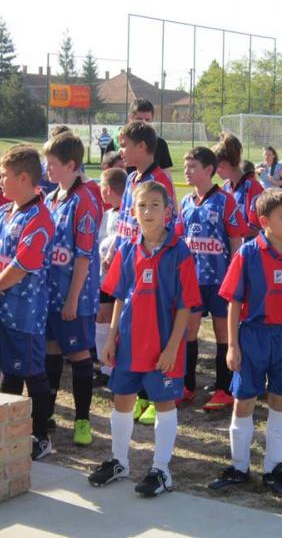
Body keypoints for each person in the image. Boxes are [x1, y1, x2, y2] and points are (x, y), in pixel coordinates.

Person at [89, 181, 201, 497]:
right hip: (130, 342)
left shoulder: (179, 252)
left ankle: (161, 469)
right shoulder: (127, 248)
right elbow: (120, 297)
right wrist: (111, 338)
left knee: (163, 403)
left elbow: (185, 305)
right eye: (142, 205)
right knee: (122, 399)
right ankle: (119, 461)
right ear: (133, 211)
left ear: (168, 211)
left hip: (163, 345)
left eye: (155, 205)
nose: (148, 212)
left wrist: (172, 348)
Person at [208, 190, 282, 496]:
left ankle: (272, 469)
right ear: (264, 221)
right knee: (243, 400)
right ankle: (239, 467)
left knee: (280, 401)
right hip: (253, 336)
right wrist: (232, 345)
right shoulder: (247, 253)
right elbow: (233, 301)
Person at [106, 120, 177, 426]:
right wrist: (114, 249)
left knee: (153, 329)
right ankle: (136, 391)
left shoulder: (160, 180)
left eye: (125, 146)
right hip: (129, 262)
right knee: (130, 325)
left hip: (153, 266)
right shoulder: (131, 178)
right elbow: (126, 220)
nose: (121, 151)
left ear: (143, 147)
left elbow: (168, 224)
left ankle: (152, 396)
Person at [0, 145, 55, 461]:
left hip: (24, 312)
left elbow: (23, 264)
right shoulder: (2, 212)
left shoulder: (39, 218)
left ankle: (40, 436)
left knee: (32, 371)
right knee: (9, 370)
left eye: (4, 176)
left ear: (24, 178)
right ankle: (10, 432)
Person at [176, 147, 247, 410]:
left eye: (192, 167)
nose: (187, 171)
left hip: (220, 281)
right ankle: (187, 386)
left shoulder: (225, 201)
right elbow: (180, 239)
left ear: (209, 170)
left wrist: (236, 277)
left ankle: (223, 388)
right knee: (189, 331)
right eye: (186, 166)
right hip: (193, 281)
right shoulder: (186, 202)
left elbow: (236, 240)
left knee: (222, 333)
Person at [43, 132, 102, 446]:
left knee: (79, 355)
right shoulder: (51, 198)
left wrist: (73, 299)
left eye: (52, 163)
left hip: (74, 297)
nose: (47, 169)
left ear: (71, 165)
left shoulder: (84, 200)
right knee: (50, 351)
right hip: (51, 294)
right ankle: (47, 412)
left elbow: (83, 256)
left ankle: (82, 420)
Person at [95, 167, 127, 382]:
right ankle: (105, 366)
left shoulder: (128, 215)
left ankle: (117, 365)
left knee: (118, 320)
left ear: (108, 190)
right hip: (103, 278)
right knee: (102, 317)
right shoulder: (107, 214)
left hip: (121, 278)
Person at [213, 132, 263, 237]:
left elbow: (256, 228)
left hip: (247, 246)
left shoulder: (253, 187)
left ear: (224, 164)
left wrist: (226, 231)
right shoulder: (226, 186)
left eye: (215, 166)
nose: (214, 171)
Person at [126, 99, 173, 172]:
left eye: (147, 120)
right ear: (130, 118)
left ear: (152, 119)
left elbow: (166, 175)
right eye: (139, 119)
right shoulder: (118, 143)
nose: (143, 123)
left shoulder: (160, 144)